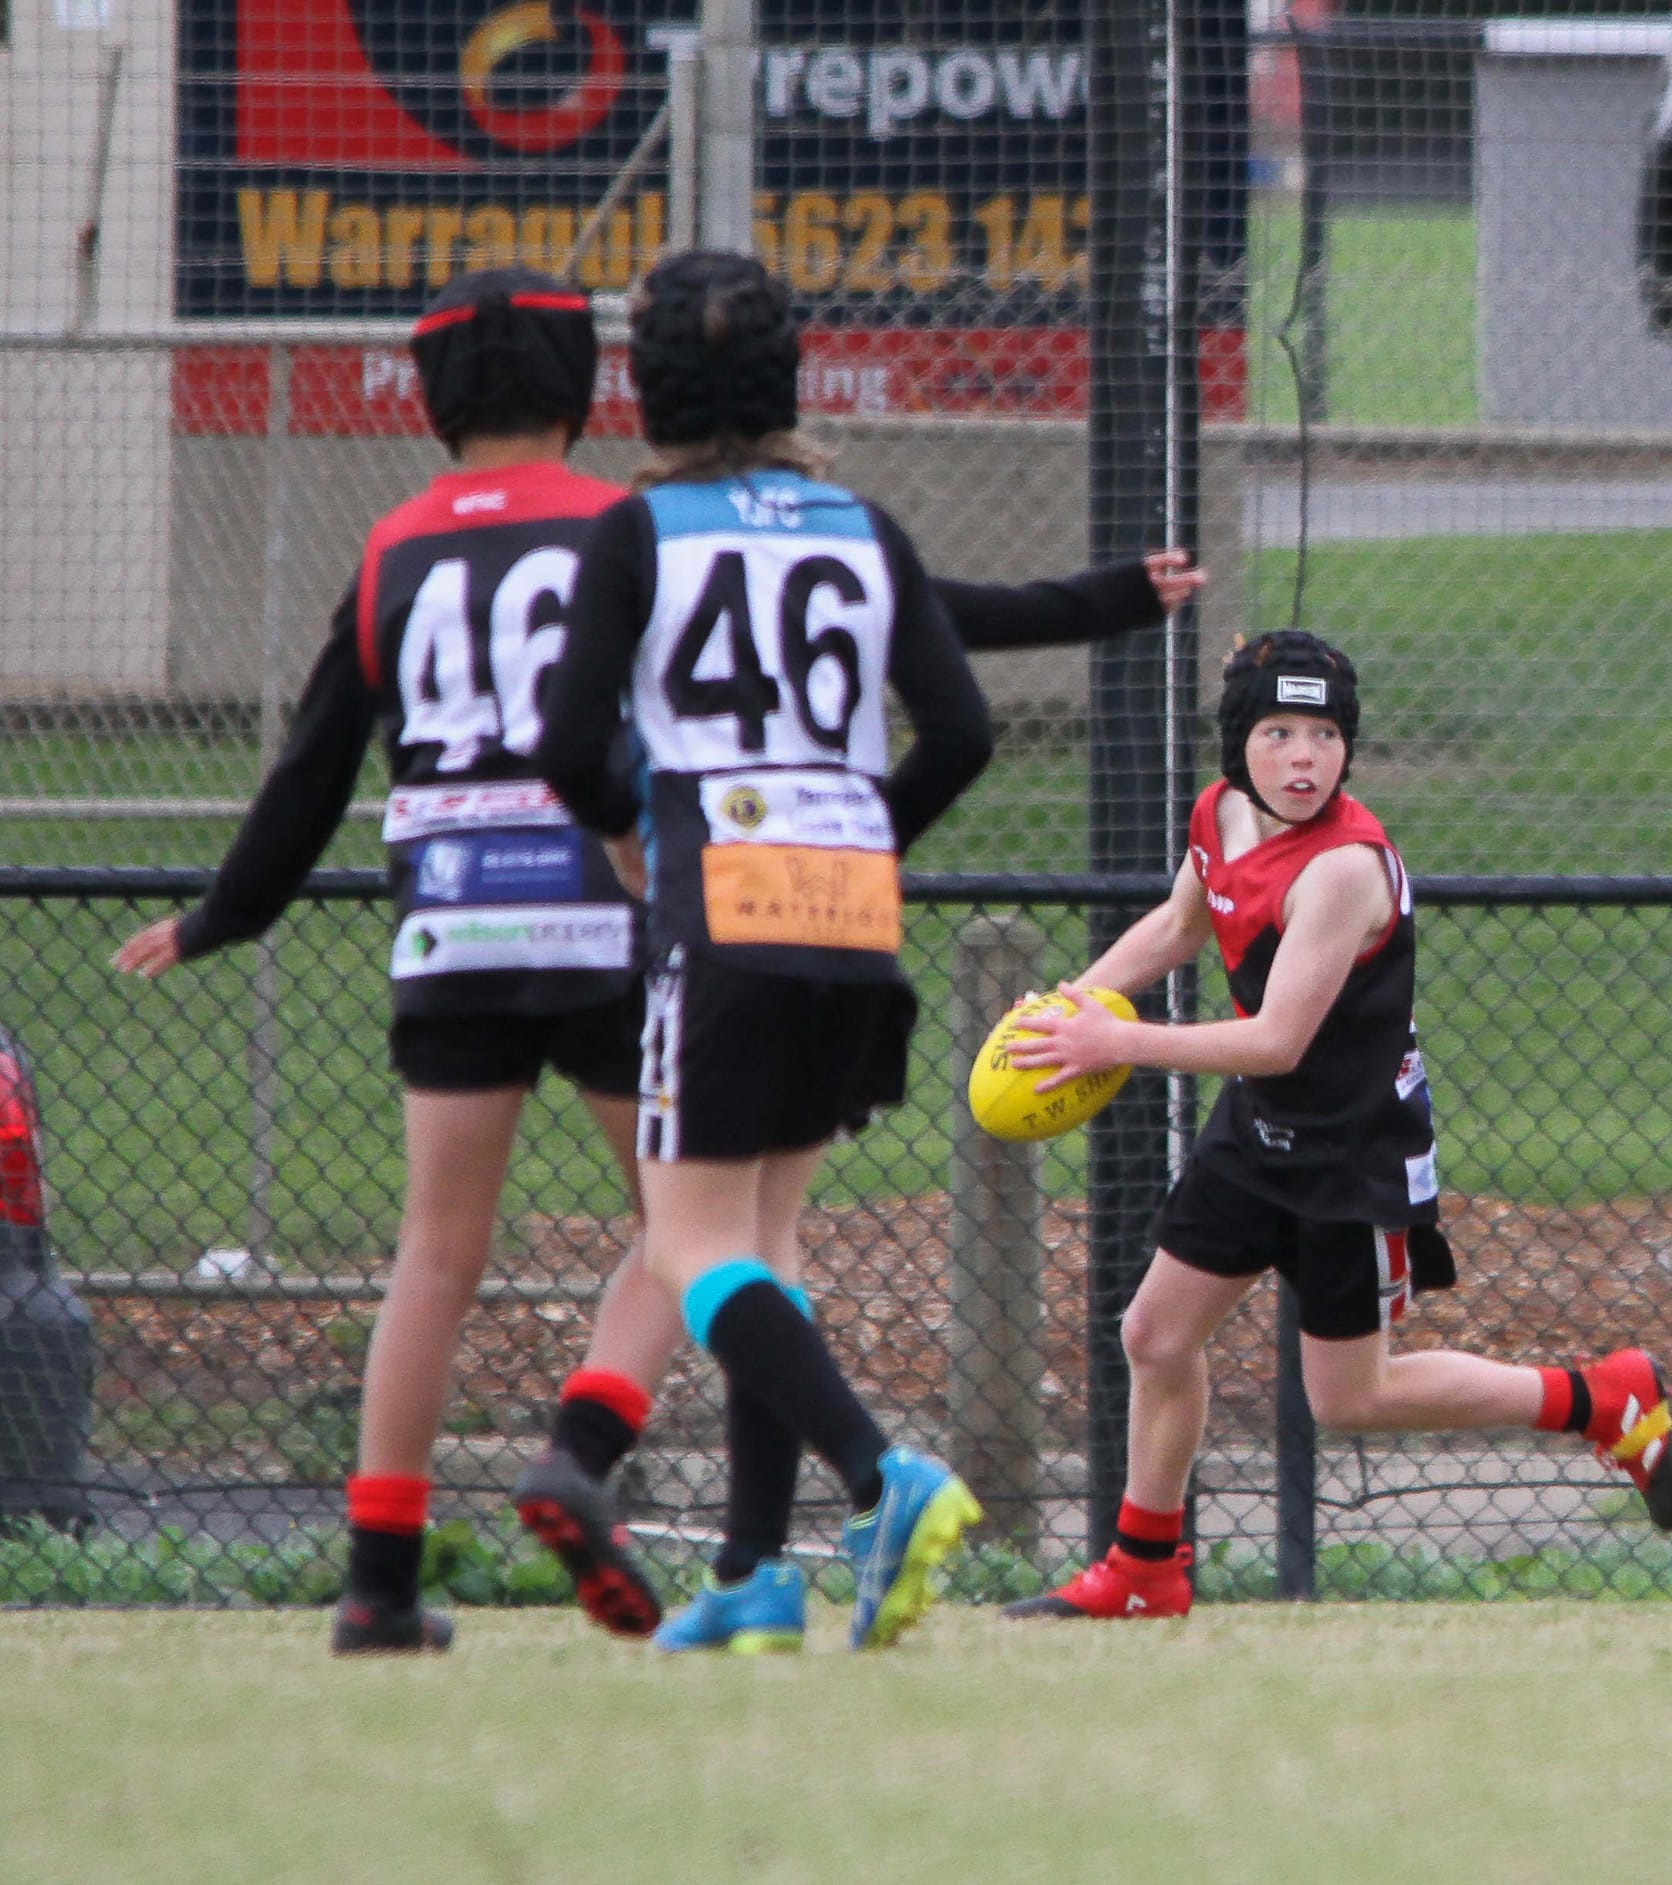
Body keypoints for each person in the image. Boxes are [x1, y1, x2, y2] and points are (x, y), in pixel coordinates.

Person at [112, 260, 1203, 1654]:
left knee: (586, 1243)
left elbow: (451, 751)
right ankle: (688, 1519)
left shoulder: (563, 536)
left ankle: (813, 1489)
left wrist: (238, 913)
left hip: (587, 918)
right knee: (747, 1234)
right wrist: (904, 802)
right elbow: (943, 658)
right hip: (752, 924)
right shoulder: (805, 521)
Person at [996, 629, 1672, 1622]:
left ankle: (1597, 1398)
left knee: (1348, 1399)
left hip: (1348, 1153)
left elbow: (1276, 1038)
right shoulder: (1220, 813)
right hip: (1255, 1133)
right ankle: (1145, 1567)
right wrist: (1073, 1002)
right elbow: (1179, 925)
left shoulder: (1342, 870)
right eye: (1276, 732)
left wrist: (1114, 1044)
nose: (1302, 756)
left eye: (1322, 733)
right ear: (1239, 746)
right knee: (1152, 1332)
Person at [529, 245, 1002, 1653]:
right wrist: (862, 830)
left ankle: (881, 1476)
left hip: (721, 915)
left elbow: (565, 744)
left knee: (689, 1246)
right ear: (788, 372)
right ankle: (747, 1572)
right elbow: (964, 732)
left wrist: (633, 833)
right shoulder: (859, 524)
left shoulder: (642, 528)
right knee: (763, 1242)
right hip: (849, 921)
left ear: (648, 386)